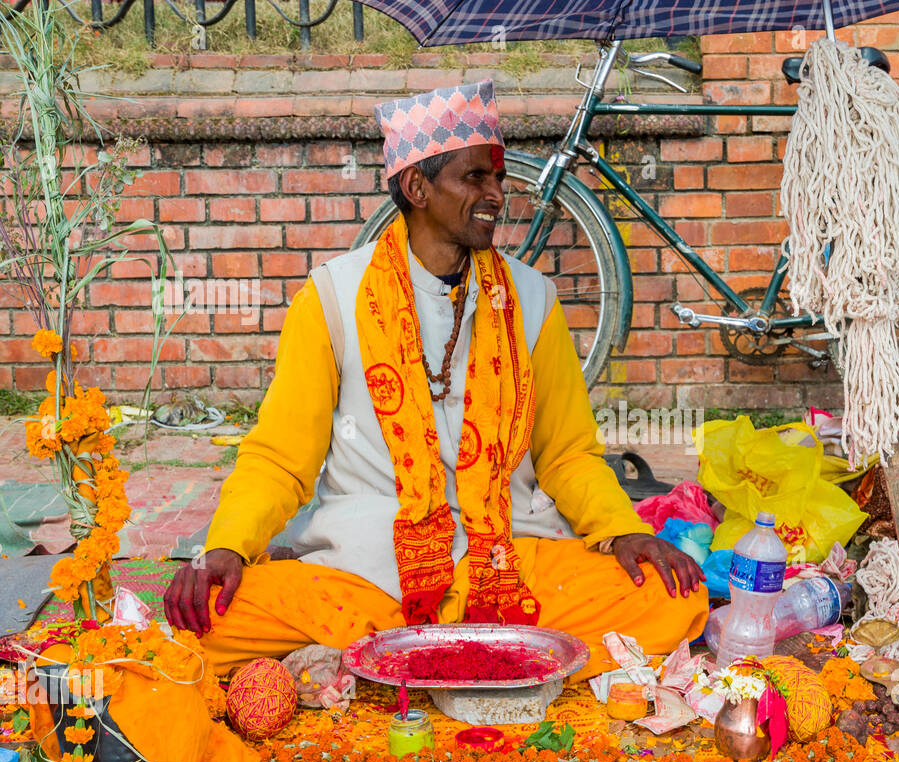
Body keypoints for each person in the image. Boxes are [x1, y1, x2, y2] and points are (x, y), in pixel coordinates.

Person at [164, 80, 707, 681]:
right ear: (417, 187)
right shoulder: (332, 297)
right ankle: (498, 658)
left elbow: (569, 454)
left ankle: (403, 661)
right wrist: (228, 547)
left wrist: (623, 532)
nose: (497, 195)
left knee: (672, 598)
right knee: (203, 624)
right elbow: (281, 459)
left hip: (506, 561)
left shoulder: (533, 299)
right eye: (474, 177)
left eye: (497, 178)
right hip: (368, 573)